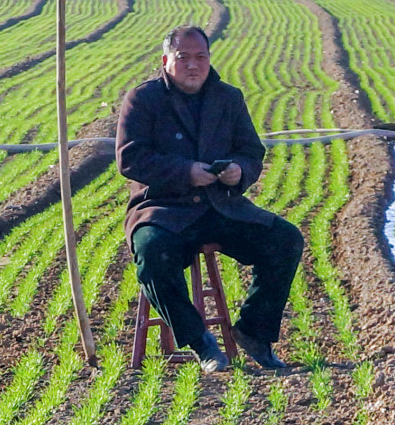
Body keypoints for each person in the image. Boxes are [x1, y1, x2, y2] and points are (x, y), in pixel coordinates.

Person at [115, 24, 303, 374]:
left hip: (220, 206)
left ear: (209, 59)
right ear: (166, 60)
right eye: (183, 57)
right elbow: (130, 158)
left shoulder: (227, 97)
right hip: (163, 210)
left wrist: (238, 171)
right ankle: (200, 341)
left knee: (285, 239)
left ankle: (254, 333)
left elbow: (251, 151)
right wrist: (186, 172)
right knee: (153, 253)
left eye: (200, 57)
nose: (193, 65)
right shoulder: (144, 99)